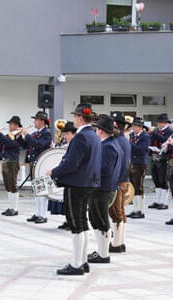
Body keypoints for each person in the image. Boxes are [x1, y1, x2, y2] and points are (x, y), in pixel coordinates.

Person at [46, 104, 101, 276]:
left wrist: (53, 172)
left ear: (79, 118)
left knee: (76, 225)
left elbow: (71, 163)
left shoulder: (80, 137)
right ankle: (82, 261)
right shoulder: (93, 136)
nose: (74, 120)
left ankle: (77, 264)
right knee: (83, 223)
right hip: (88, 184)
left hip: (76, 185)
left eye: (75, 117)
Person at [88, 115, 122, 264]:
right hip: (105, 188)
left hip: (102, 189)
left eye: (97, 128)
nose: (95, 131)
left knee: (100, 220)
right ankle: (101, 251)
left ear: (101, 131)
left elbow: (105, 169)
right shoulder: (112, 143)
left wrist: (87, 168)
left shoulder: (108, 146)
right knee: (97, 219)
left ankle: (103, 254)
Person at [20, 111, 52, 224]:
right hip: (35, 164)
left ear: (42, 121)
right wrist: (20, 136)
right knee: (36, 190)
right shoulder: (36, 133)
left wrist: (27, 135)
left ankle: (42, 215)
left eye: (36, 119)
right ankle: (38, 213)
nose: (34, 121)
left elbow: (38, 144)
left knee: (42, 190)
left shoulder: (47, 133)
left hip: (42, 165)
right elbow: (25, 145)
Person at [0, 116, 23, 216]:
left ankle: (15, 208)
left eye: (12, 124)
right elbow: (2, 144)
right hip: (5, 161)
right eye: (10, 124)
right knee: (8, 186)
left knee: (12, 185)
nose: (10, 126)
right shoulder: (8, 135)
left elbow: (11, 144)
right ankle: (10, 207)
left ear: (17, 125)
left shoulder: (18, 136)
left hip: (12, 162)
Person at [109, 112, 131, 253]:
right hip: (123, 179)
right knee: (121, 212)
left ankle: (116, 244)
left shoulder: (117, 141)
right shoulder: (124, 140)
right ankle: (120, 241)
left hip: (117, 180)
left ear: (115, 125)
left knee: (115, 212)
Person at [127, 117, 151, 219]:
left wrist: (129, 142)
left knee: (138, 187)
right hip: (131, 163)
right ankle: (135, 209)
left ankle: (140, 210)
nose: (133, 128)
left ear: (141, 127)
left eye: (135, 126)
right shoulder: (132, 135)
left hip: (140, 164)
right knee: (132, 187)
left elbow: (140, 150)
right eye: (133, 126)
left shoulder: (145, 137)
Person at [55, 121, 77, 230]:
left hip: (74, 178)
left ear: (74, 134)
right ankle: (68, 220)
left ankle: (73, 222)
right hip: (67, 178)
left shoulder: (76, 144)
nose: (65, 136)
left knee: (73, 203)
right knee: (67, 202)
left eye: (67, 134)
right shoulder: (69, 144)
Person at [148, 113, 172, 210]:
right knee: (156, 180)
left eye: (159, 122)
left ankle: (164, 202)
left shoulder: (169, 131)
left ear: (164, 123)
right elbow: (153, 141)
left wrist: (154, 133)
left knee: (163, 180)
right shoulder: (157, 131)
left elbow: (164, 140)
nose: (158, 124)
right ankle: (158, 201)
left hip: (163, 158)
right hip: (154, 156)